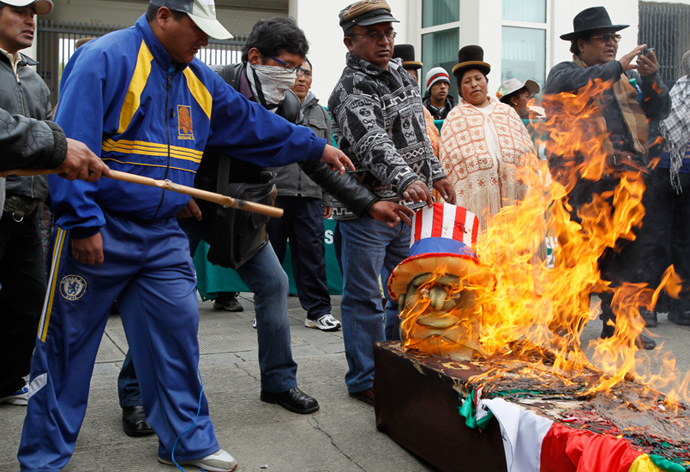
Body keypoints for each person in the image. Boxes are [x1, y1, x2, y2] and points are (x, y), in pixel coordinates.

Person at [17, 0, 356, 470]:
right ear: (163, 16)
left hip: (163, 233)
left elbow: (251, 123)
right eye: (195, 28)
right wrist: (81, 222)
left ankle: (187, 442)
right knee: (66, 348)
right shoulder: (106, 58)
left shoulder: (199, 77)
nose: (204, 39)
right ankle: (43, 458)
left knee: (177, 339)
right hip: (100, 229)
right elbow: (71, 143)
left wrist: (314, 145)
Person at [329, 0, 456, 406]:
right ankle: (365, 377)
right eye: (374, 34)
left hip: (409, 209)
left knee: (410, 289)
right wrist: (407, 179)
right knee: (363, 297)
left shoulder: (400, 75)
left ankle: (400, 361)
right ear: (350, 41)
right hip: (368, 211)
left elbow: (418, 133)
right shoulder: (349, 90)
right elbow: (372, 144)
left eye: (389, 33)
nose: (385, 41)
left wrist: (436, 173)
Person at [0, 0, 107, 410]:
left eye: (34, 14)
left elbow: (50, 136)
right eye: (19, 11)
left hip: (27, 208)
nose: (30, 21)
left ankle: (8, 378)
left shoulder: (33, 78)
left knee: (28, 299)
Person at [543, 6, 670, 349]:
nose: (611, 43)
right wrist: (617, 66)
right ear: (581, 45)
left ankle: (619, 325)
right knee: (580, 257)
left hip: (627, 182)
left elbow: (659, 111)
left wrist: (653, 79)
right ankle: (566, 328)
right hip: (584, 183)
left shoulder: (624, 79)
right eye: (603, 38)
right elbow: (568, 85)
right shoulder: (567, 72)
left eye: (614, 38)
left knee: (628, 257)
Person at [266, 57, 341, 331]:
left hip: (309, 195)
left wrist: (326, 197)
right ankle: (266, 309)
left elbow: (327, 157)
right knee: (268, 253)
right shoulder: (272, 107)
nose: (301, 77)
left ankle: (317, 312)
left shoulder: (321, 113)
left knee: (313, 255)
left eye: (306, 73)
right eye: (296, 72)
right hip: (275, 192)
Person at [439, 45, 540, 230]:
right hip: (475, 209)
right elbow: (450, 166)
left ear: (486, 82)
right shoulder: (454, 119)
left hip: (514, 203)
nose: (474, 84)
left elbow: (527, 153)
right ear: (460, 89)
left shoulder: (507, 112)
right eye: (467, 81)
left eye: (478, 79)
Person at [648, 50, 690, 325]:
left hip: (687, 177)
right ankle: (648, 306)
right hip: (663, 173)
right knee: (656, 241)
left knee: (684, 244)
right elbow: (661, 125)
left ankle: (681, 306)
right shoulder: (676, 93)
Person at [393, 44, 440, 157]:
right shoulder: (389, 110)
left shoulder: (424, 111)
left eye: (412, 79)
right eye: (404, 78)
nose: (409, 84)